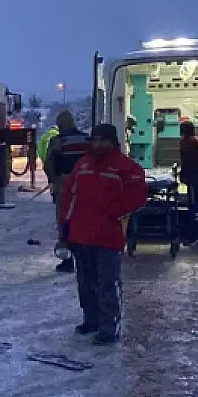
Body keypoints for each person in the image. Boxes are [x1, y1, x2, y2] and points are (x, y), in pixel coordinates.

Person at [57, 123, 147, 346]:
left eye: (103, 140)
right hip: (80, 234)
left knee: (107, 283)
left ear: (113, 142)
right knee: (85, 282)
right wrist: (64, 226)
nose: (98, 144)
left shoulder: (126, 168)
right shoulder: (83, 164)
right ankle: (91, 319)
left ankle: (109, 325)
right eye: (95, 140)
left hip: (107, 235)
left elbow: (137, 196)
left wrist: (114, 213)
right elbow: (69, 196)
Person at [44, 110, 91, 273]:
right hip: (86, 186)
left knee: (65, 222)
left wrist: (53, 181)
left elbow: (49, 163)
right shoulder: (87, 139)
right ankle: (86, 259)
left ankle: (67, 260)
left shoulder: (58, 141)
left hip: (64, 187)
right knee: (85, 221)